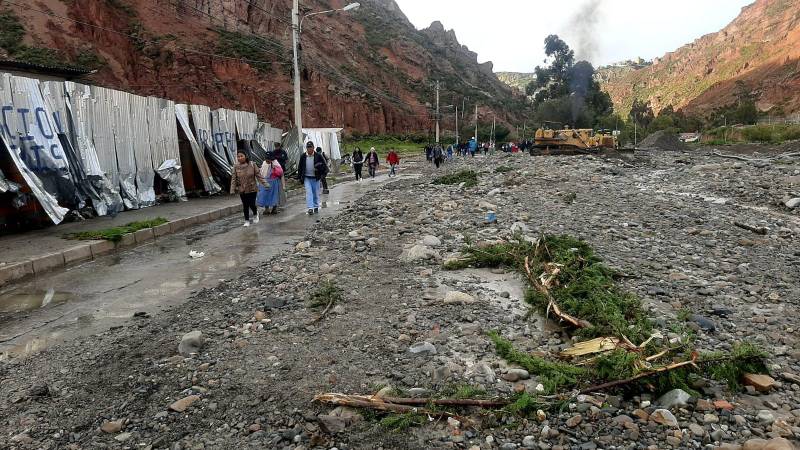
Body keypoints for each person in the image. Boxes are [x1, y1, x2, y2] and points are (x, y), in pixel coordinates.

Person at [230, 150, 266, 227]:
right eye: (238, 156)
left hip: (252, 188)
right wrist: (232, 189)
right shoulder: (235, 166)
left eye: (241, 156)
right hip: (242, 189)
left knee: (252, 203)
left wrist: (265, 183)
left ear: (245, 156)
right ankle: (247, 220)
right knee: (245, 205)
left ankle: (255, 214)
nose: (239, 158)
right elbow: (233, 178)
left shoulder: (252, 164)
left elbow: (258, 175)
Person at [297, 141, 328, 214]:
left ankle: (316, 206)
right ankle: (310, 208)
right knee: (309, 192)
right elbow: (300, 167)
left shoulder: (318, 156)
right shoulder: (303, 156)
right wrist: (300, 178)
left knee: (315, 193)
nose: (309, 149)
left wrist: (320, 172)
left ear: (313, 148)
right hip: (307, 177)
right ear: (306, 148)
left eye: (311, 147)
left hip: (316, 178)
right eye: (308, 147)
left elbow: (324, 167)